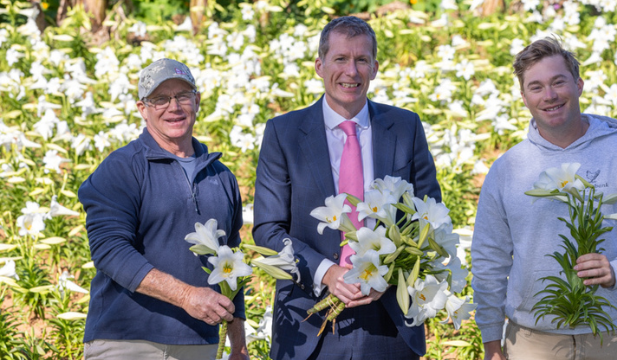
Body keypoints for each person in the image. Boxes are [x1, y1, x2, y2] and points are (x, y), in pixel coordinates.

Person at [471, 37, 617, 360]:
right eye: (536, 87)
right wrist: (491, 343)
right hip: (531, 340)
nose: (549, 95)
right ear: (524, 97)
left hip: (610, 336)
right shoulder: (507, 170)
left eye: (558, 82)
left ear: (579, 85)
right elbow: (489, 260)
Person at [253, 16, 441, 360]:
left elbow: (429, 213)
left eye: (362, 60)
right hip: (310, 319)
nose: (351, 71)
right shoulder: (284, 133)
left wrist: (389, 272)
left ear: (375, 68)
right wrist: (327, 273)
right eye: (340, 58)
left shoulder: (405, 127)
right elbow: (268, 230)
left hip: (390, 317)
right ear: (319, 66)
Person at [79, 58, 248, 360]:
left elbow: (231, 264)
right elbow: (109, 250)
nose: (174, 107)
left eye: (182, 95)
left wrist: (239, 346)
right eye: (160, 98)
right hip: (127, 342)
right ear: (142, 109)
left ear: (197, 101)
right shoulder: (121, 168)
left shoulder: (222, 177)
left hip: (200, 344)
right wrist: (186, 296)